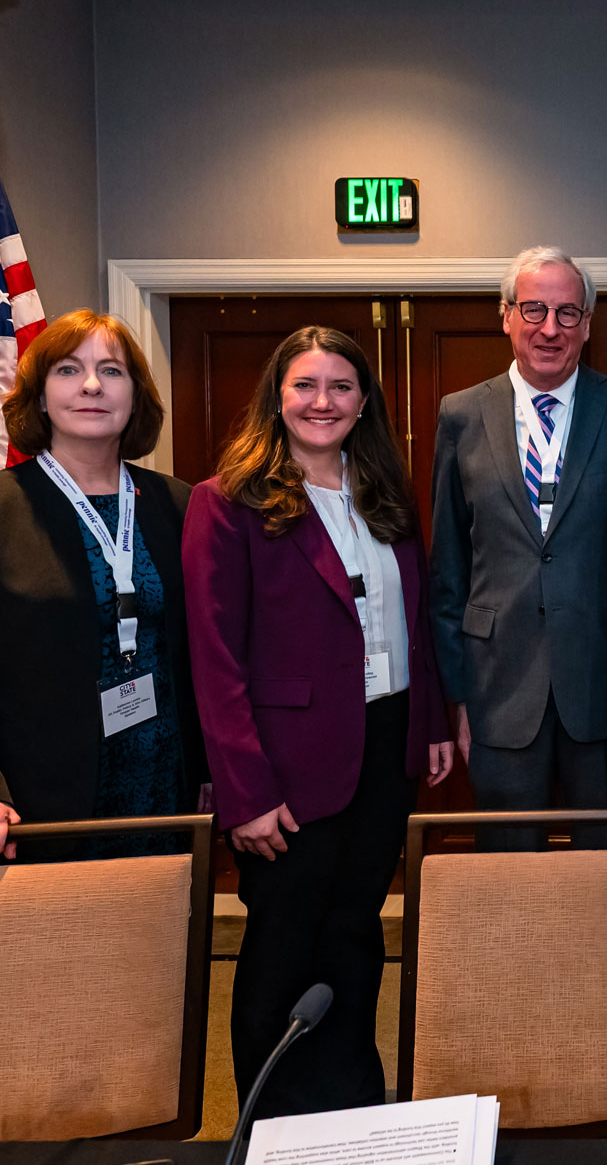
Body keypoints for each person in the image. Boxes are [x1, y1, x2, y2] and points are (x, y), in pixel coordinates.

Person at [184, 326, 455, 1115]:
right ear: (278, 396)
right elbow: (215, 659)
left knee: (355, 936)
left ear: (364, 401)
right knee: (284, 947)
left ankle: (351, 1108)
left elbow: (413, 620)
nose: (323, 401)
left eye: (341, 386)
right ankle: (272, 1124)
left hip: (384, 748)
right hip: (288, 767)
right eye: (305, 385)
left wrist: (431, 720)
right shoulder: (226, 501)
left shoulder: (383, 493)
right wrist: (245, 792)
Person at [0, 309, 200, 861]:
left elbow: (206, 653)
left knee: (164, 920)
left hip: (168, 792)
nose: (91, 385)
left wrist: (212, 771)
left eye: (111, 371)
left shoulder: (182, 506)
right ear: (40, 397)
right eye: (68, 370)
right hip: (32, 804)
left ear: (135, 395)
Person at [429, 246, 607, 849]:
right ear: (507, 316)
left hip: (604, 683)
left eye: (567, 313)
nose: (550, 328)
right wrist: (456, 695)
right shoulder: (461, 415)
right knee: (509, 868)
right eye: (534, 310)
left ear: (587, 324)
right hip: (497, 685)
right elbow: (449, 568)